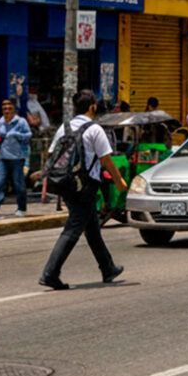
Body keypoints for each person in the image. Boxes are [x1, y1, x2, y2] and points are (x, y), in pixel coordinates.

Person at [36, 90, 127, 289]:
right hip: (85, 185)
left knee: (92, 226)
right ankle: (50, 273)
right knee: (74, 228)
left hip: (66, 184)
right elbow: (106, 160)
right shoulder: (95, 129)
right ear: (93, 107)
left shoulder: (64, 127)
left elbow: (52, 154)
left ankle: (107, 267)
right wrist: (119, 181)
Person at [0, 99, 32, 218]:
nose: (7, 111)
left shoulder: (21, 122)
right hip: (2, 156)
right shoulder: (0, 122)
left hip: (17, 157)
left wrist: (16, 135)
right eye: (4, 109)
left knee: (18, 184)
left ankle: (22, 208)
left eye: (9, 109)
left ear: (14, 110)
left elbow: (28, 135)